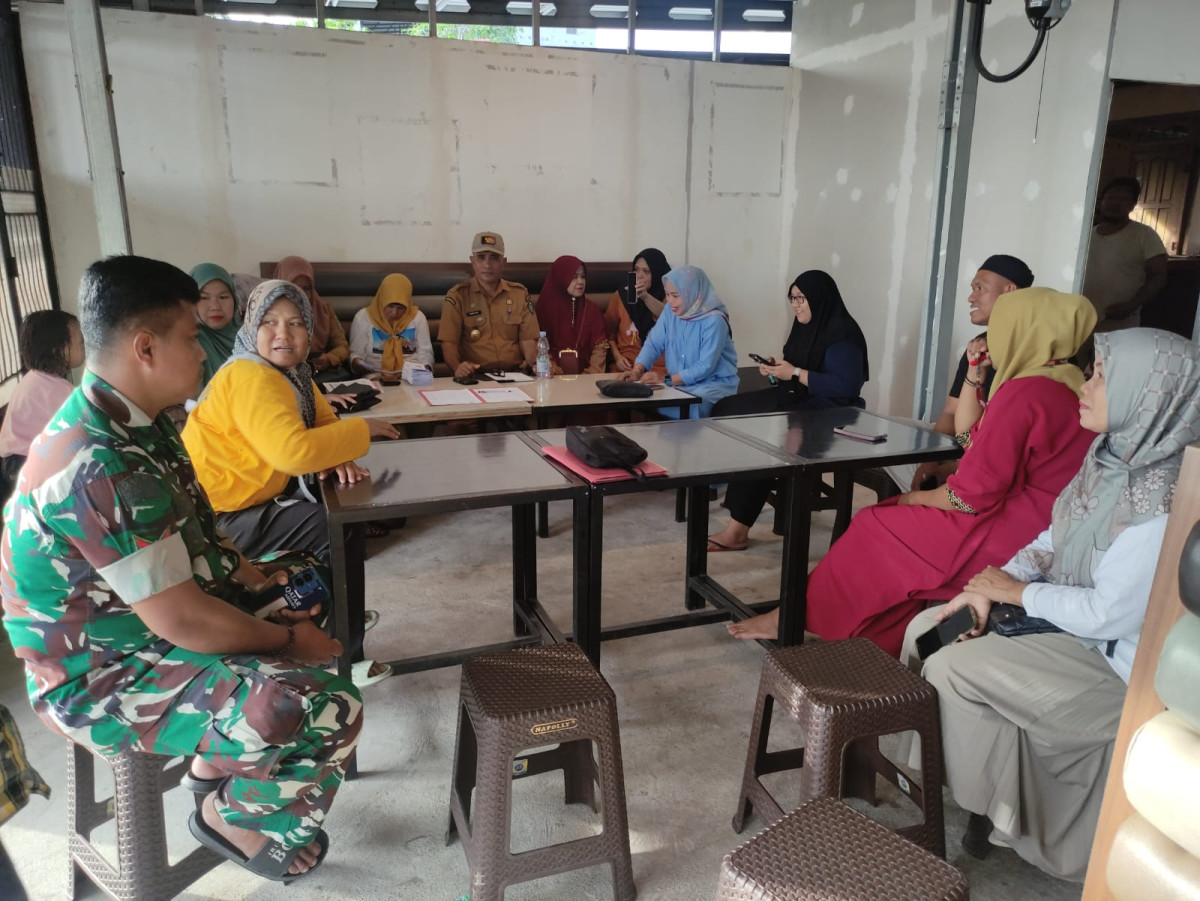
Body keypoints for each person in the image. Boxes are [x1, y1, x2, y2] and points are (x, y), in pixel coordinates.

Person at [1, 255, 360, 882]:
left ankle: (211, 767)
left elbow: (201, 541)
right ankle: (231, 815)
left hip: (146, 623)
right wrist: (286, 639)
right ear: (145, 346)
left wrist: (263, 586)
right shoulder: (99, 461)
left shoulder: (140, 422)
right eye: (192, 337)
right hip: (99, 673)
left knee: (306, 580)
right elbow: (187, 621)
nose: (203, 352)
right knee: (328, 709)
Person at [900, 328, 1200, 882]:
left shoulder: (1167, 500)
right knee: (929, 629)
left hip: (1112, 667)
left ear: (1148, 394)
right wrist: (985, 590)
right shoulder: (1109, 458)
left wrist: (1014, 594)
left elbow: (1110, 613)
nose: (1085, 387)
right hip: (1061, 624)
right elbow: (1049, 538)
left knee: (948, 666)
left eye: (1103, 376)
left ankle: (981, 810)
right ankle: (966, 798)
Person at [728, 288, 1097, 652]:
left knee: (874, 525)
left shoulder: (1025, 393)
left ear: (1021, 330)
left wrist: (911, 499)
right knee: (890, 529)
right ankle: (869, 640)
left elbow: (966, 498)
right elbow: (970, 436)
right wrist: (973, 371)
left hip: (1006, 529)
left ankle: (792, 617)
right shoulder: (1066, 383)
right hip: (1038, 524)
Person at [183, 279, 399, 561]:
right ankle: (337, 605)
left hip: (249, 496)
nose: (282, 334)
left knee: (355, 503)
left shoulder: (293, 373)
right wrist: (362, 430)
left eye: (295, 323)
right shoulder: (251, 375)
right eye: (269, 322)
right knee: (336, 527)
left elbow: (323, 419)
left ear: (309, 330)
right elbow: (293, 453)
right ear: (251, 328)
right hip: (219, 515)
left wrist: (338, 455)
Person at [706, 270, 868, 551]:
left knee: (762, 436)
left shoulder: (844, 334)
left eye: (801, 298)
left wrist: (793, 371)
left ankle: (737, 529)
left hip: (832, 412)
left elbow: (845, 387)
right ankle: (739, 487)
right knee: (726, 409)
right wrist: (775, 371)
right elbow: (793, 370)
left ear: (819, 298)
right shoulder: (804, 326)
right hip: (798, 398)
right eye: (792, 298)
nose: (796, 305)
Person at [900, 254, 1035, 492]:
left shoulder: (1033, 353)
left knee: (895, 504)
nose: (970, 297)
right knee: (896, 434)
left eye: (979, 288)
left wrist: (951, 468)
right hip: (963, 446)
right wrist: (929, 462)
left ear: (1010, 292)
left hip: (990, 465)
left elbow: (1001, 444)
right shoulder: (978, 346)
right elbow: (952, 412)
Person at [616, 265, 738, 418]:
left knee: (686, 407)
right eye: (667, 295)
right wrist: (637, 370)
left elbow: (704, 367)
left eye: (675, 295)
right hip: (678, 385)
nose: (670, 301)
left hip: (711, 386)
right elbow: (653, 343)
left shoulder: (714, 320)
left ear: (692, 293)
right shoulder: (670, 312)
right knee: (646, 400)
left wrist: (666, 380)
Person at [0, 310, 84, 505]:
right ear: (59, 349)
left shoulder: (33, 380)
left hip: (10, 465)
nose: (84, 345)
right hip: (29, 465)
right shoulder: (59, 391)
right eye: (80, 341)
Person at [439, 231, 539, 377]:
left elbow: (528, 340)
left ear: (503, 263)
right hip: (475, 376)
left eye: (494, 258)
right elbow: (449, 343)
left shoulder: (519, 294)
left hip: (515, 375)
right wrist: (457, 368)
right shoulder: (458, 296)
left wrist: (535, 365)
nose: (487, 264)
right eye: (481, 258)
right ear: (472, 261)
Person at [1082, 177, 1168, 334]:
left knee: (1109, 359)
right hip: (1081, 320)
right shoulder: (1087, 234)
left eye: (1123, 199)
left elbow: (1158, 275)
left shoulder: (1144, 235)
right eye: (1111, 198)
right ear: (1101, 201)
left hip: (1118, 324)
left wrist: (1133, 304)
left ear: (1132, 205)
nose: (1115, 203)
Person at [273, 256, 351, 378]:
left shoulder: (324, 311)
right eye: (294, 287)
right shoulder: (268, 316)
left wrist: (329, 359)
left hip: (320, 373)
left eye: (307, 288)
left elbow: (342, 347)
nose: (301, 293)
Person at [348, 272, 434, 379]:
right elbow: (356, 353)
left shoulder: (418, 318)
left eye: (400, 308)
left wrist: (424, 369)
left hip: (410, 376)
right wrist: (357, 363)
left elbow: (425, 351)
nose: (394, 313)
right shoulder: (363, 317)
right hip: (375, 376)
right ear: (382, 300)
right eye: (390, 306)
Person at [536, 255, 608, 374]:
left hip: (586, 380)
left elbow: (599, 349)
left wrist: (589, 376)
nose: (580, 282)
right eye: (574, 277)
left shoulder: (592, 310)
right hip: (552, 377)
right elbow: (538, 349)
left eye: (583, 277)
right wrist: (557, 373)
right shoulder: (544, 309)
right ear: (560, 278)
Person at [605, 248, 671, 375]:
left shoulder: (670, 296)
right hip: (626, 367)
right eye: (636, 270)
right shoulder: (622, 296)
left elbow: (668, 318)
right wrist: (617, 357)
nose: (639, 275)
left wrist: (645, 296)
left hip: (658, 371)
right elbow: (608, 333)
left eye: (646, 271)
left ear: (657, 273)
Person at [190, 263, 241, 389]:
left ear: (234, 300)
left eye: (223, 297)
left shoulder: (250, 338)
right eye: (204, 298)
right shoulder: (189, 343)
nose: (215, 306)